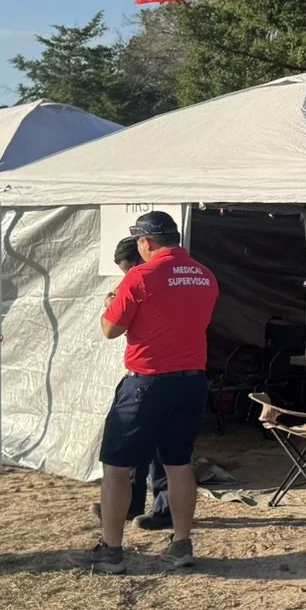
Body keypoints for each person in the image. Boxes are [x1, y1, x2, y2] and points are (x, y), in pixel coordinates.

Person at [90, 211, 218, 573]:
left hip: (146, 382)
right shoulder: (205, 276)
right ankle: (181, 544)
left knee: (117, 467)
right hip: (192, 381)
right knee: (178, 464)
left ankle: (111, 550)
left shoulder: (140, 277)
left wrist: (108, 306)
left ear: (146, 242)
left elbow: (110, 329)